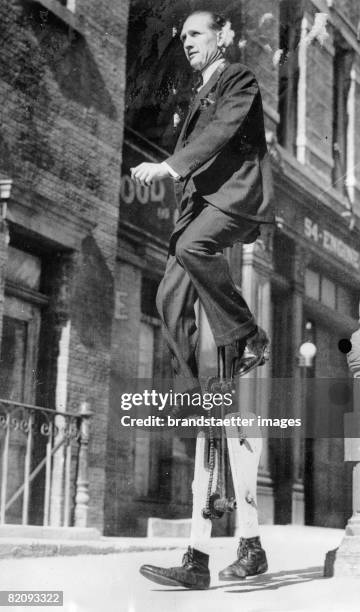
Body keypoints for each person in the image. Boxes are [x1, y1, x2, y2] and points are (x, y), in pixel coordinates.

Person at [131, 9, 274, 589]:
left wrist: (167, 164)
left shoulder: (237, 78)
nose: (186, 42)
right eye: (182, 36)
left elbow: (219, 136)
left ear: (223, 36)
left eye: (196, 34)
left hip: (230, 201)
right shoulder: (195, 92)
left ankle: (248, 333)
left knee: (236, 427)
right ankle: (199, 559)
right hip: (198, 211)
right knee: (169, 294)